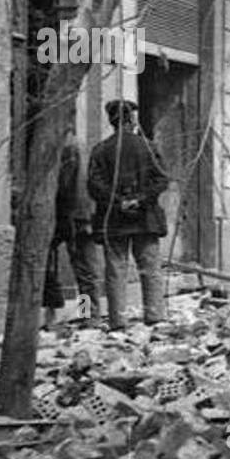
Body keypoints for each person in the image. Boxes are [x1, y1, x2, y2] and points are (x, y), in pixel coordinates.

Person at [88, 99, 170, 331]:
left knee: (115, 271)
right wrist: (140, 199)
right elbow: (162, 179)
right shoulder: (149, 147)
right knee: (150, 268)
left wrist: (118, 202)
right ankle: (154, 316)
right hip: (145, 218)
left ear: (112, 121)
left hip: (113, 220)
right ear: (131, 120)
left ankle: (118, 321)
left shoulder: (100, 150)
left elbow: (94, 187)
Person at [43, 126, 99, 329]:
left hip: (70, 215)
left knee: (56, 267)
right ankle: (88, 315)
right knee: (85, 272)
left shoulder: (65, 147)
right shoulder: (80, 144)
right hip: (82, 215)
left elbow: (66, 185)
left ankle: (60, 315)